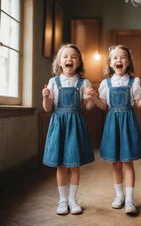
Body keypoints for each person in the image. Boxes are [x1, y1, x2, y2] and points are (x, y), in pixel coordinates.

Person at [90, 44, 141, 216]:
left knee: (127, 162)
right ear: (110, 63)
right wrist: (94, 97)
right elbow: (103, 106)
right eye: (115, 58)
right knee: (116, 163)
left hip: (128, 124)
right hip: (112, 124)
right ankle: (119, 196)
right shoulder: (105, 83)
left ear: (129, 61)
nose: (119, 60)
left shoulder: (134, 82)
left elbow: (138, 104)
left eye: (123, 57)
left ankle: (130, 200)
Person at [42, 43, 95, 215]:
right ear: (59, 62)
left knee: (74, 164)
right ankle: (62, 201)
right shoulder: (53, 81)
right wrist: (45, 98)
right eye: (65, 56)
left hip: (76, 125)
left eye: (73, 57)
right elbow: (48, 108)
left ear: (78, 62)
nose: (69, 59)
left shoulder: (83, 82)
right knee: (61, 165)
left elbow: (87, 107)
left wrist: (89, 98)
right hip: (59, 125)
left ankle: (73, 200)